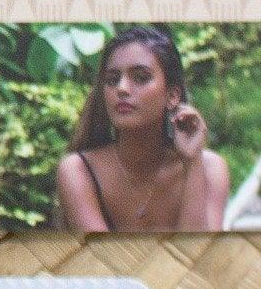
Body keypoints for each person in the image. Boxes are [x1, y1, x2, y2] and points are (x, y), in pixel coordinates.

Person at [52, 26, 228, 233]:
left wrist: (192, 163)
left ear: (172, 96)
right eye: (112, 80)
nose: (122, 88)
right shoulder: (79, 170)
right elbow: (102, 254)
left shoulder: (209, 168)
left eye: (141, 77)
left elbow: (196, 252)